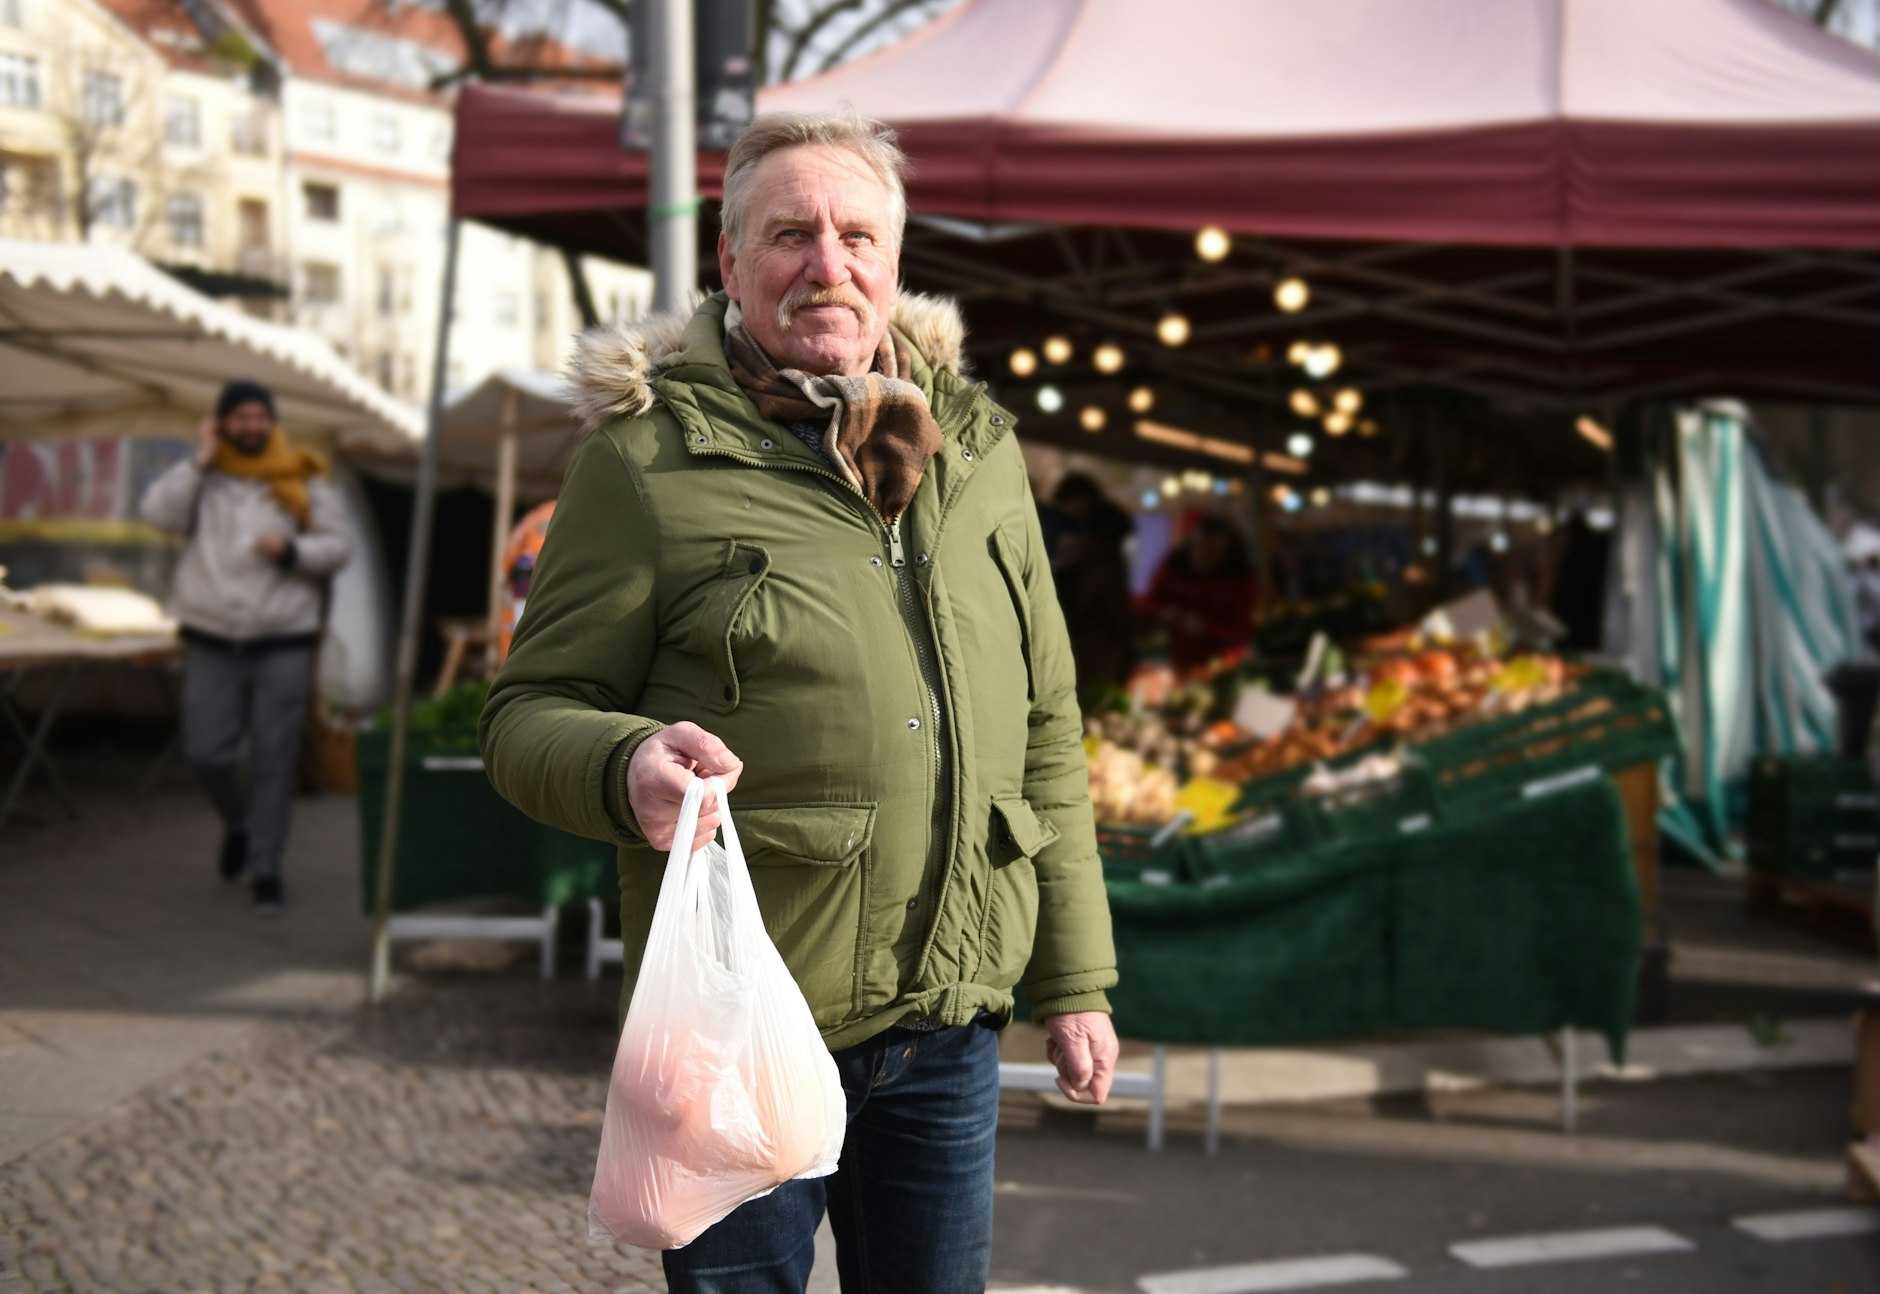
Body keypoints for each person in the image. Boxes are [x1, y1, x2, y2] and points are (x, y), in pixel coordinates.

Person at [481, 111, 1119, 1293]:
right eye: (789, 234)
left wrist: (1074, 981)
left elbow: (1044, 727)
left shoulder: (978, 457)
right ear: (728, 263)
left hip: (947, 1025)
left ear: (893, 258)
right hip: (737, 1014)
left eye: (855, 235)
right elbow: (526, 714)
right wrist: (622, 763)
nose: (827, 264)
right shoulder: (644, 462)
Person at [140, 380, 351, 914]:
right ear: (222, 423)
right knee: (206, 751)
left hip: (282, 638)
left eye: (261, 416)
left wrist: (290, 550)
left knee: (274, 761)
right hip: (211, 635)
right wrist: (202, 457)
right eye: (240, 417)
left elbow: (338, 547)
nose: (251, 425)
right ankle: (240, 824)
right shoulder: (202, 480)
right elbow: (157, 514)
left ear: (272, 423)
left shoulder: (303, 477)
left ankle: (266, 871)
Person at [1050, 472, 1136, 697]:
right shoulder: (1091, 537)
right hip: (1086, 635)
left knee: (1088, 694)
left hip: (1094, 639)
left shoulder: (1101, 556)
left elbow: (1116, 613)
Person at [1139, 514, 1258, 673]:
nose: (1203, 556)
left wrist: (1204, 628)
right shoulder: (1173, 566)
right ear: (1191, 544)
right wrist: (1165, 613)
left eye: (1213, 551)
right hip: (1169, 656)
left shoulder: (1241, 579)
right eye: (1198, 547)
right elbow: (1150, 603)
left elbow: (1242, 630)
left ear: (1228, 551)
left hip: (1221, 662)